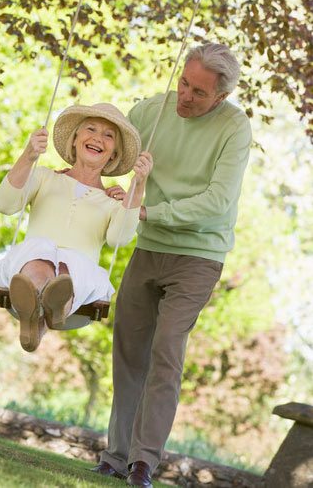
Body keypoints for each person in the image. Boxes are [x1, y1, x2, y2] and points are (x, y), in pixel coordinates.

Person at [93, 43, 252, 487]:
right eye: (183, 83)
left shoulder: (235, 129)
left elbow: (218, 201)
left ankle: (143, 462)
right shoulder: (152, 111)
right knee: (129, 348)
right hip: (149, 247)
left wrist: (149, 213)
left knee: (166, 349)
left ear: (220, 97)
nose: (184, 96)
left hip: (199, 255)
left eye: (198, 93)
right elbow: (110, 148)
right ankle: (115, 455)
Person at [0, 103, 153, 352]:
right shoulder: (45, 177)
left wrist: (137, 188)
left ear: (113, 154)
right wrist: (28, 156)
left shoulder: (114, 201)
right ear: (75, 138)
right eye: (91, 129)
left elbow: (119, 239)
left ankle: (42, 312)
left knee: (69, 269)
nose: (98, 138)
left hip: (81, 274)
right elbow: (4, 204)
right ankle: (41, 312)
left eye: (108, 135)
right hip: (28, 264)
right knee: (41, 251)